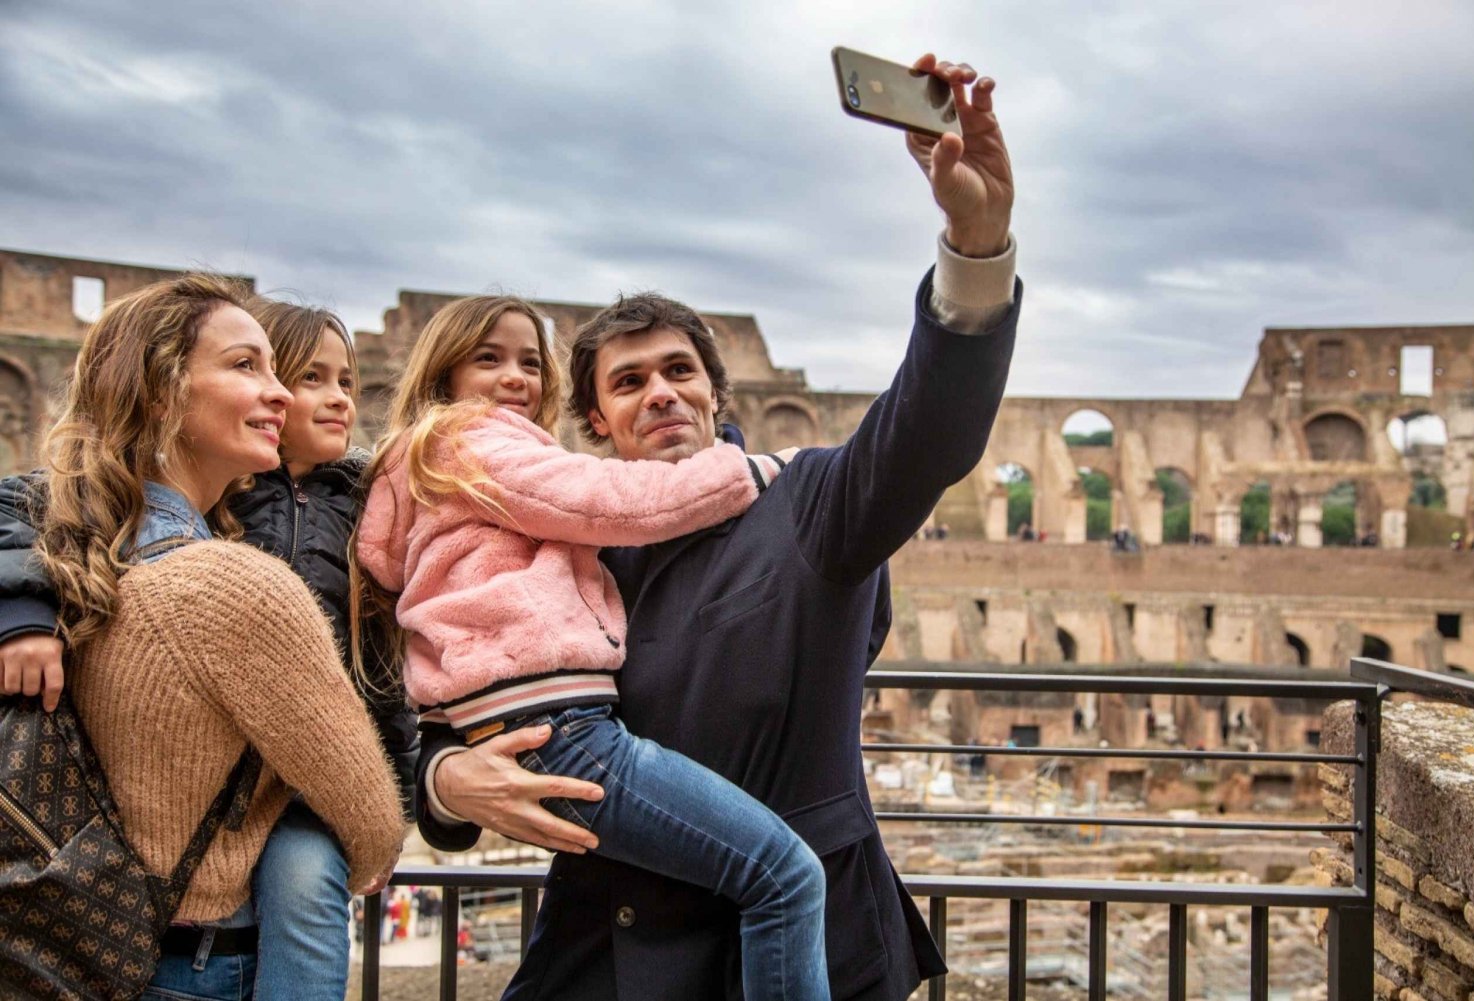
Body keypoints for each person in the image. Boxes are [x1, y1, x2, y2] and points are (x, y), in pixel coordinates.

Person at [418, 53, 1019, 1000]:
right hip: (606, 939)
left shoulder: (810, 499)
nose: (659, 393)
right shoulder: (552, 540)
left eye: (677, 371)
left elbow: (932, 426)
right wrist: (446, 781)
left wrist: (976, 244)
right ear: (596, 424)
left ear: (714, 390)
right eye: (628, 382)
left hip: (784, 944)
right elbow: (442, 685)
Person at [354, 294, 828, 1000]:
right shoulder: (474, 443)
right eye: (488, 359)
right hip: (562, 723)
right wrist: (757, 470)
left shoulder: (428, 470)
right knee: (784, 875)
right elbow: (611, 500)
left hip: (517, 721)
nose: (515, 377)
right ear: (443, 378)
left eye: (528, 361)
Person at [0, 297, 419, 1001]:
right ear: (164, 393)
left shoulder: (80, 549)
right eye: (246, 365)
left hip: (78, 943)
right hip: (200, 963)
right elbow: (372, 821)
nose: (282, 392)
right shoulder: (236, 585)